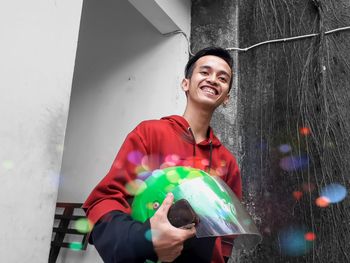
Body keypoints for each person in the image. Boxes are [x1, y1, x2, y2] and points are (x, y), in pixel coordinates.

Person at [83, 47, 242, 263]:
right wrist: (145, 240)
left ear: (226, 98)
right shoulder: (150, 133)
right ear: (185, 83)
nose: (213, 79)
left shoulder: (227, 162)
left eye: (222, 78)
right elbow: (105, 200)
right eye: (205, 72)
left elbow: (227, 231)